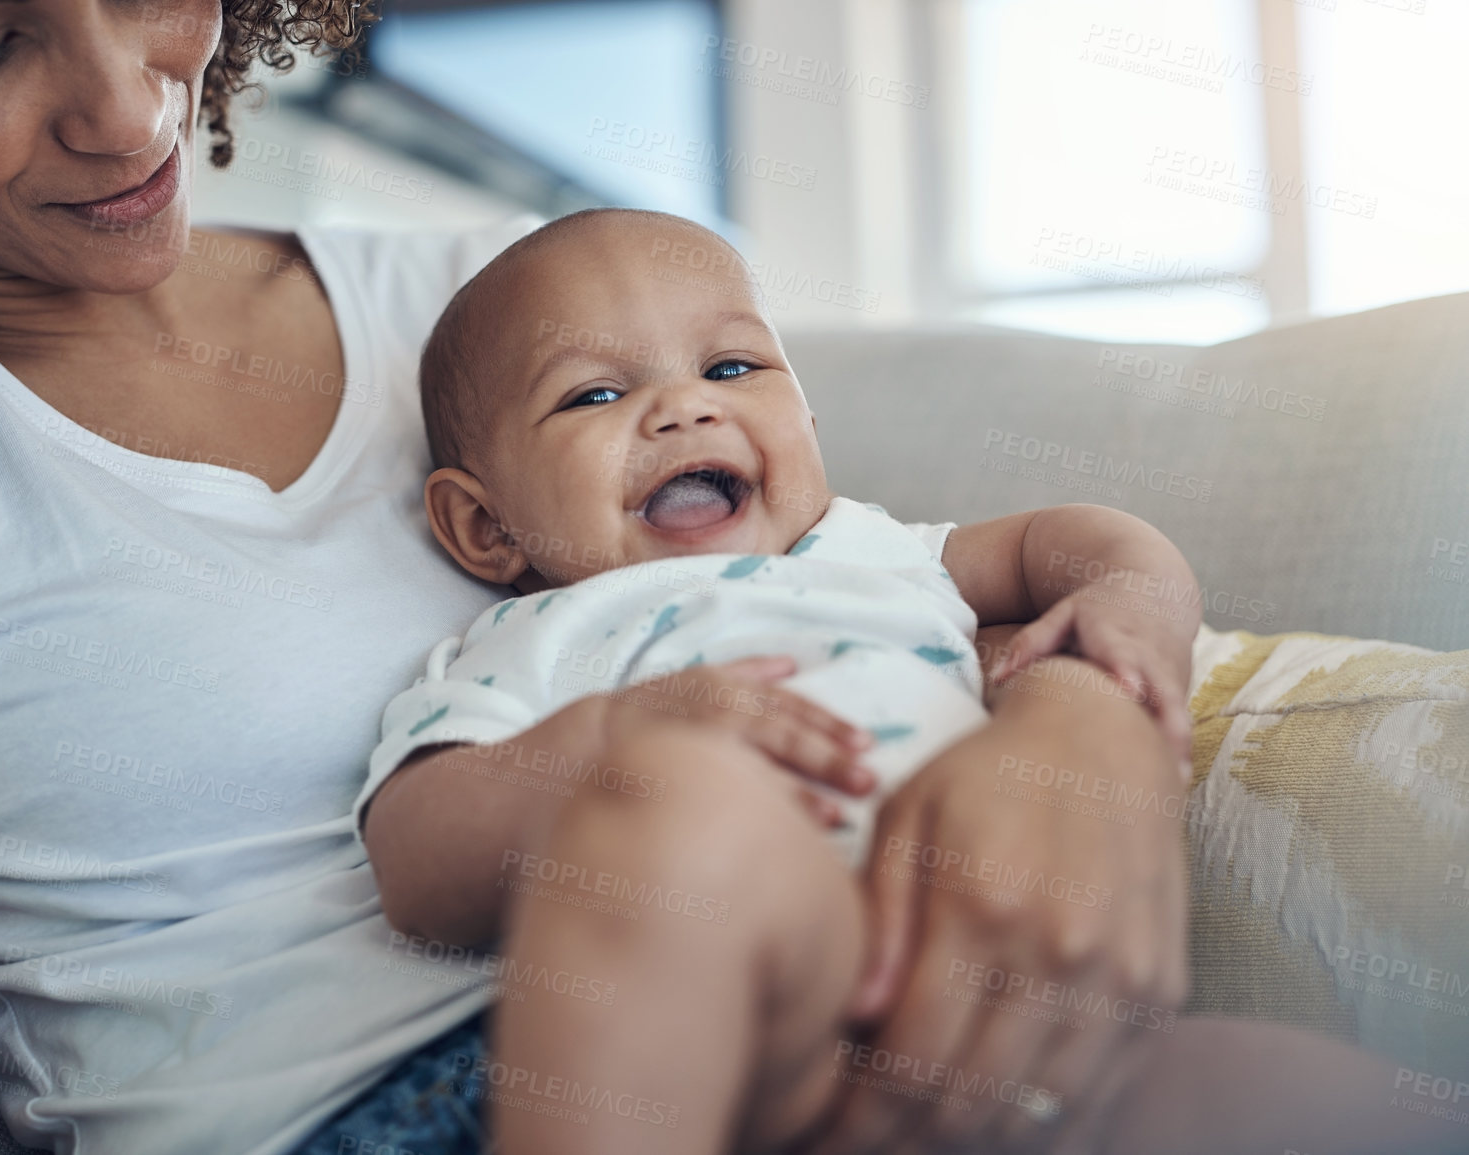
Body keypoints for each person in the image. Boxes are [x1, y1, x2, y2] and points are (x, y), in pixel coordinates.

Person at [0, 2, 1216, 1153]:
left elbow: (919, 570)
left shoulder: (517, 303)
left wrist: (1087, 731)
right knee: (685, 809)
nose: (129, 106)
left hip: (776, 1039)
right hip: (357, 1112)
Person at [357, 208, 1468, 1155]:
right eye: (593, 395)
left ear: (808, 422)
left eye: (733, 368)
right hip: (770, 1041)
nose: (687, 408)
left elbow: (1071, 540)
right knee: (671, 808)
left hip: (1020, 1017)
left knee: (1310, 1098)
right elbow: (415, 858)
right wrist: (620, 737)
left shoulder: (873, 547)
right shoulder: (538, 631)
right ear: (486, 525)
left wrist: (1136, 607)